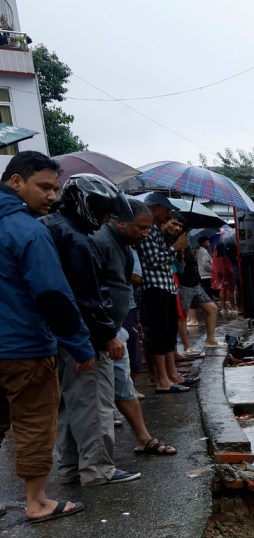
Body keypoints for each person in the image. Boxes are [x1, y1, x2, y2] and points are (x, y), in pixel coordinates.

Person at [0, 152, 94, 522]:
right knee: (35, 422)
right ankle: (37, 501)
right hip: (24, 348)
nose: (52, 196)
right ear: (15, 181)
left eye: (55, 188)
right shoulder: (28, 231)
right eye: (44, 187)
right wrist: (80, 344)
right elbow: (53, 295)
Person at [40, 173, 141, 487]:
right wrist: (107, 335)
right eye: (104, 211)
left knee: (71, 406)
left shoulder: (51, 229)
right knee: (94, 402)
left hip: (57, 335)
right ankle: (98, 468)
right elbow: (88, 297)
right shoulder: (78, 240)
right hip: (83, 337)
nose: (107, 219)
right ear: (88, 205)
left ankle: (73, 468)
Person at [92, 196, 175, 457]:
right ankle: (95, 464)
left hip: (114, 328)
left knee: (123, 384)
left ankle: (143, 438)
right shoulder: (99, 243)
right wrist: (107, 333)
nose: (146, 233)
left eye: (148, 228)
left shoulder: (125, 246)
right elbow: (92, 293)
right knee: (97, 396)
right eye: (141, 227)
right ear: (119, 222)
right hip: (101, 332)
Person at [137, 196, 196, 392]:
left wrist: (176, 246)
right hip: (154, 288)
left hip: (167, 286)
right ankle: (162, 379)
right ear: (154, 208)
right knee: (158, 335)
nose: (169, 214)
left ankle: (172, 374)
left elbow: (171, 264)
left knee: (170, 332)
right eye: (166, 211)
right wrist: (175, 247)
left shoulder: (159, 231)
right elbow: (154, 259)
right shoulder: (147, 231)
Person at [176, 233, 220, 348]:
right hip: (183, 284)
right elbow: (178, 268)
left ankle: (210, 340)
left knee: (212, 308)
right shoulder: (174, 246)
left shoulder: (188, 246)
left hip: (195, 282)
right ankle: (187, 347)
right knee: (182, 317)